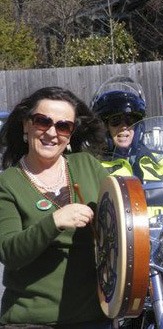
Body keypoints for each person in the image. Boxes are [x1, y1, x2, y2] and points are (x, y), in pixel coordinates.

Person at [0, 87, 111, 328]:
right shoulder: (7, 183)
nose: (52, 132)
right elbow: (9, 252)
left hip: (95, 317)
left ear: (70, 134)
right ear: (26, 125)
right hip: (31, 320)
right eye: (42, 121)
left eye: (63, 126)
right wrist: (54, 222)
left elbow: (121, 215)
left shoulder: (88, 166)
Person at [91, 76, 163, 182]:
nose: (124, 127)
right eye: (115, 120)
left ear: (139, 127)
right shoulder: (94, 169)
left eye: (130, 120)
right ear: (105, 127)